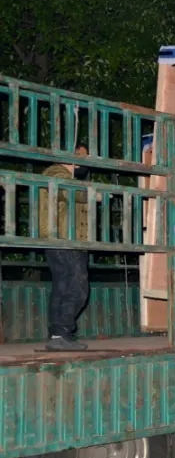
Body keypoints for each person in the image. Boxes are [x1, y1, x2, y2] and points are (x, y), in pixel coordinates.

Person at [39, 145, 92, 352]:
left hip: (62, 238)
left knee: (63, 285)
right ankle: (61, 331)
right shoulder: (56, 172)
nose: (85, 159)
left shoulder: (61, 175)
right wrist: (94, 195)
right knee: (77, 285)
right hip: (64, 238)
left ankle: (58, 334)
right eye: (82, 155)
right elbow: (68, 191)